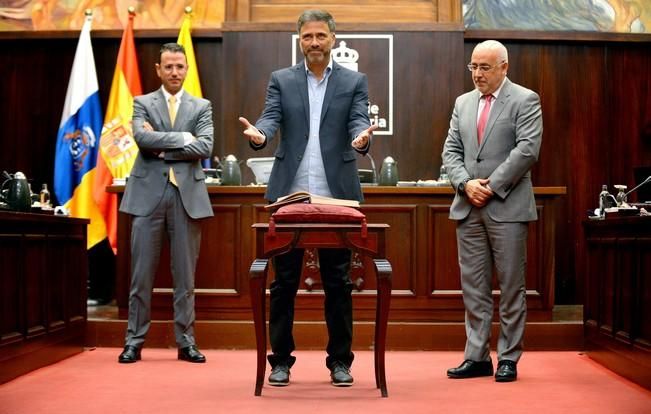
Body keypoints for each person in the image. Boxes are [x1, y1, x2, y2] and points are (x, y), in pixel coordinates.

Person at [238, 9, 376, 387]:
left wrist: (362, 137)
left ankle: (340, 362)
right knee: (283, 282)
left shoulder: (354, 81)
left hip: (337, 198)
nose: (314, 43)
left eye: (320, 36)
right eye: (307, 37)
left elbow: (358, 120)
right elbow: (269, 119)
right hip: (290, 194)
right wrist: (260, 136)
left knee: (338, 282)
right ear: (299, 40)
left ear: (334, 38)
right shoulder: (281, 80)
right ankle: (280, 360)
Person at [442, 40, 542, 382]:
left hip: (507, 206)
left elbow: (527, 151)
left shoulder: (526, 100)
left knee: (512, 286)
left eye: (485, 67)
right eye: (473, 67)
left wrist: (490, 185)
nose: (477, 74)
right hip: (468, 206)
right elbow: (451, 151)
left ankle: (509, 358)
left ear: (504, 67)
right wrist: (465, 184)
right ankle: (478, 357)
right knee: (474, 287)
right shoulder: (462, 103)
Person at [117, 43, 214, 364]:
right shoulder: (142, 102)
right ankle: (134, 341)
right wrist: (184, 138)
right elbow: (141, 139)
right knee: (140, 275)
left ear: (187, 69)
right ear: (158, 69)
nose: (175, 72)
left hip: (187, 197)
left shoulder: (202, 106)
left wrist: (162, 144)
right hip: (147, 197)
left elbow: (205, 145)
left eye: (180, 67)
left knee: (185, 277)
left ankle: (186, 342)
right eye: (169, 67)